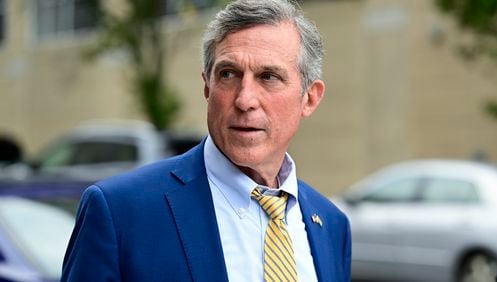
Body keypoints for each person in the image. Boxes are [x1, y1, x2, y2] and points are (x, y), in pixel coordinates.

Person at [61, 0, 351, 281]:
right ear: (207, 87)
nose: (245, 99)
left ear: (310, 98)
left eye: (268, 76)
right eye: (228, 74)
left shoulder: (331, 226)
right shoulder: (120, 212)